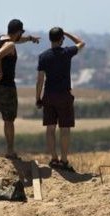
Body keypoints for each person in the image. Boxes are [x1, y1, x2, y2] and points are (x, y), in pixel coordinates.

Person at [0, 19, 40, 159]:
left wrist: (29, 39)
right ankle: (10, 151)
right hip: (5, 87)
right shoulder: (9, 45)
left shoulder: (1, 38)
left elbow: (14, 41)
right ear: (17, 32)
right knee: (9, 120)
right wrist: (0, 72)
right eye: (20, 33)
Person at [36, 28, 85, 172]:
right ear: (61, 39)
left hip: (49, 95)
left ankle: (54, 159)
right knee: (65, 129)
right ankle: (64, 161)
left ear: (50, 39)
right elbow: (81, 43)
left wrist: (38, 98)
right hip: (64, 95)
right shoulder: (67, 52)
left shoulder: (43, 56)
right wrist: (68, 34)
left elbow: (40, 80)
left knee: (50, 128)